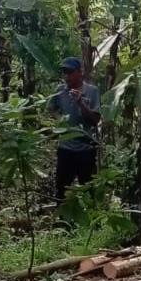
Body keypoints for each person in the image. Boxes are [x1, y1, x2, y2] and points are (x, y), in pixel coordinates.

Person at [49, 56, 102, 201]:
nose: (67, 76)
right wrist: (60, 120)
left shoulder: (92, 91)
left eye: (70, 72)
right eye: (64, 73)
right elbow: (51, 109)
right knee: (62, 190)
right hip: (65, 149)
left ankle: (91, 222)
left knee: (89, 190)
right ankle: (62, 222)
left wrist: (80, 103)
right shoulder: (59, 91)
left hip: (85, 149)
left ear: (80, 73)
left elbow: (95, 120)